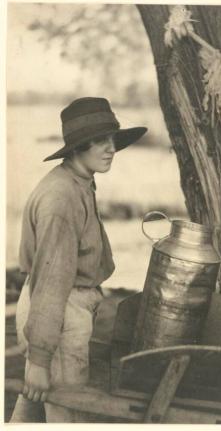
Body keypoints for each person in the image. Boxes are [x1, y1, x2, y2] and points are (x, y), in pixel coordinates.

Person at [9, 97, 147, 422]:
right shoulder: (61, 198)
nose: (111, 148)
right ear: (77, 147)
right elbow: (52, 282)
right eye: (100, 140)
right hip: (58, 315)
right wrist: (40, 359)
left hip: (62, 310)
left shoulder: (79, 183)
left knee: (30, 414)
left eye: (112, 139)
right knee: (68, 418)